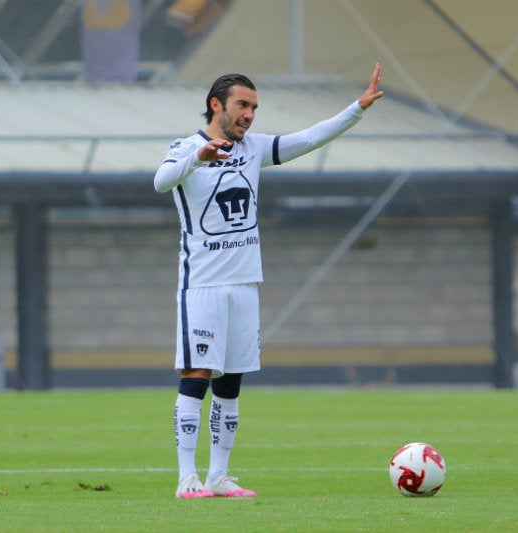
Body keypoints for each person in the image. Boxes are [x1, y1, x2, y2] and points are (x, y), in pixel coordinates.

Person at [154, 64, 384, 499]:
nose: (250, 115)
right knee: (197, 375)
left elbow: (310, 137)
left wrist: (356, 109)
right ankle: (187, 478)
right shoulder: (186, 146)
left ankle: (219, 476)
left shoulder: (254, 148)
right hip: (202, 286)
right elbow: (160, 181)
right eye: (243, 105)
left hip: (245, 284)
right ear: (216, 105)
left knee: (231, 381)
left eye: (255, 107)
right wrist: (196, 159)